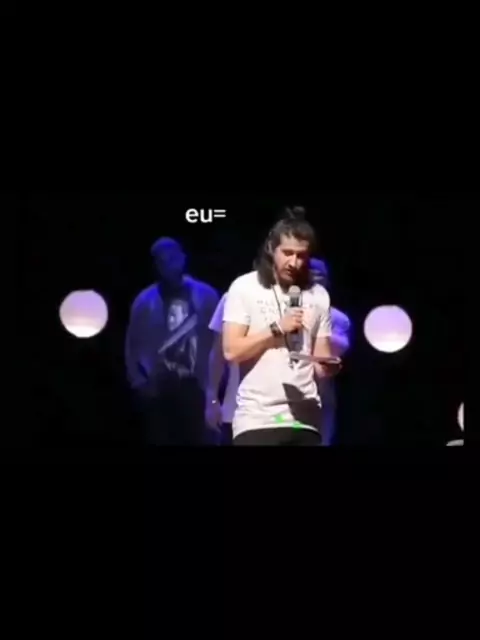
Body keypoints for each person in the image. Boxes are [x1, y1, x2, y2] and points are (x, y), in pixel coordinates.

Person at [222, 206, 341, 446]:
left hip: (304, 420)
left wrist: (328, 366)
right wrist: (276, 328)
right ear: (270, 248)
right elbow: (231, 351)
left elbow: (320, 361)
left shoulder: (318, 295)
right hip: (258, 420)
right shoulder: (245, 287)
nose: (294, 262)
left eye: (301, 255)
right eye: (287, 253)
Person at [125, 237, 219, 445]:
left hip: (198, 385)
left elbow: (219, 340)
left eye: (172, 257)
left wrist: (217, 384)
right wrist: (139, 382)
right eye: (162, 259)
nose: (168, 263)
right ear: (155, 265)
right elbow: (132, 346)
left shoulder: (206, 295)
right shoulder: (144, 301)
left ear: (183, 258)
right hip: (160, 387)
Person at [309, 258, 352, 445]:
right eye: (311, 274)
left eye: (321, 276)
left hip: (321, 393)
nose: (316, 279)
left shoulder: (338, 317)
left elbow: (340, 346)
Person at [205, 292, 238, 445]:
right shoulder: (234, 296)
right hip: (237, 412)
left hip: (285, 414)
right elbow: (218, 354)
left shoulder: (302, 297)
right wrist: (212, 399)